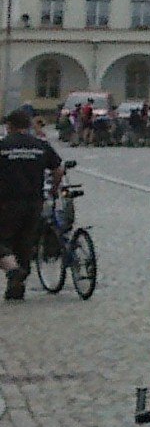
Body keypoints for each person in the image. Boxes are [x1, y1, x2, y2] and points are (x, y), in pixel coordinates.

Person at [0, 107, 63, 299]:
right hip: (35, 202)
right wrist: (53, 189)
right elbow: (58, 169)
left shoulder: (3, 146)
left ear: (9, 126)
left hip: (7, 202)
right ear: (27, 126)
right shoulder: (40, 145)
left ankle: (12, 271)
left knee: (3, 240)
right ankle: (17, 288)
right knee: (24, 244)